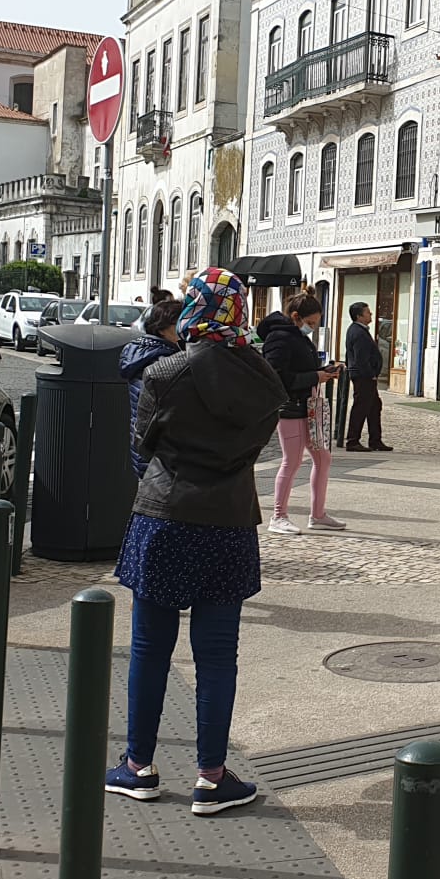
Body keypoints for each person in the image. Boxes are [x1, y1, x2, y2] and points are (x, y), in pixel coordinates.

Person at [103, 268, 286, 816]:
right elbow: (254, 450)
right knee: (217, 655)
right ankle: (211, 776)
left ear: (196, 309)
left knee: (149, 648)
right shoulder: (263, 379)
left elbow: (142, 443)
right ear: (239, 310)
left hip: (164, 514)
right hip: (228, 520)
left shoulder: (165, 372)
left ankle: (138, 768)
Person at [259, 292, 346, 535]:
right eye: (311, 323)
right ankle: (278, 516)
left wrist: (323, 371)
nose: (312, 328)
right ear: (296, 317)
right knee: (292, 461)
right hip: (290, 408)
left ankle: (318, 514)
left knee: (323, 458)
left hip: (307, 406)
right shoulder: (279, 338)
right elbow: (276, 376)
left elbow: (301, 368)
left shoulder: (297, 337)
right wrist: (314, 376)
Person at [119, 300, 185, 478]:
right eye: (178, 323)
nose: (183, 329)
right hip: (157, 451)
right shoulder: (161, 361)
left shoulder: (144, 352)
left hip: (146, 447)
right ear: (162, 327)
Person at [343, 301, 391, 452]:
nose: (371, 314)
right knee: (361, 407)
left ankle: (375, 440)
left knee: (374, 406)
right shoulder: (357, 332)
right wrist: (371, 374)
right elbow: (360, 357)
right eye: (367, 312)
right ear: (359, 316)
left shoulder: (360, 330)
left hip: (365, 375)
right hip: (364, 376)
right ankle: (353, 440)